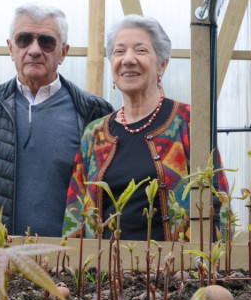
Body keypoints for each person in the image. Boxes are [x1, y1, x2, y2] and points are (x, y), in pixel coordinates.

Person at [0, 3, 113, 245]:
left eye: (46, 42)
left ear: (63, 52)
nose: (34, 50)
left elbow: (107, 196)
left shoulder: (94, 111)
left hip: (69, 264)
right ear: (11, 48)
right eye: (24, 39)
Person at [62, 14, 228, 241]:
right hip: (103, 271)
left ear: (162, 64)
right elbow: (75, 211)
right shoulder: (95, 133)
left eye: (140, 50)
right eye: (119, 52)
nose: (128, 59)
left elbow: (218, 203)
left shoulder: (188, 121)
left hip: (174, 269)